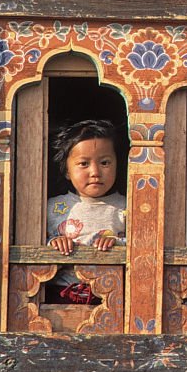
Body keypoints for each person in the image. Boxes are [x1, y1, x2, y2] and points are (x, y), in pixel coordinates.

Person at [45, 119, 126, 304]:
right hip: (60, 297)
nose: (95, 172)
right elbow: (33, 242)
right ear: (67, 170)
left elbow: (142, 246)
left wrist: (117, 243)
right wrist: (54, 243)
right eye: (83, 164)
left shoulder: (126, 207)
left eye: (105, 162)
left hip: (111, 297)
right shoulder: (52, 207)